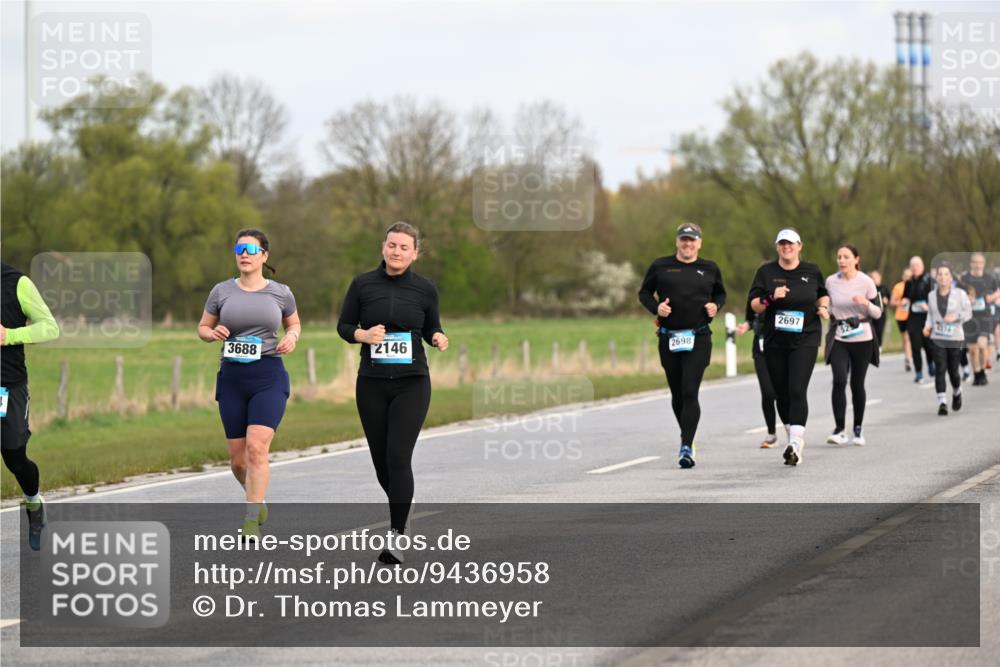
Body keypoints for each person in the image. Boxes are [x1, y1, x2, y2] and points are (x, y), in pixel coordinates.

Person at [338, 222, 448, 565]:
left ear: (415, 253)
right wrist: (362, 336)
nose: (396, 251)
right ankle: (404, 502)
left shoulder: (425, 289)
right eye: (391, 245)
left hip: (412, 382)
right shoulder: (362, 284)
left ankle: (397, 536)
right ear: (383, 248)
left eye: (403, 247)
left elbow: (432, 326)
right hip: (371, 383)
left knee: (399, 457)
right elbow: (344, 325)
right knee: (381, 463)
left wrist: (438, 338)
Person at [198, 229, 300, 538]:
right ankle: (257, 496)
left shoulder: (281, 293)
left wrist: (292, 337)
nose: (244, 253)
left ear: (264, 256)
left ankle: (250, 519)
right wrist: (210, 334)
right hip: (232, 378)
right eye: (239, 248)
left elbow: (293, 323)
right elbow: (203, 327)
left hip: (268, 375)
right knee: (238, 460)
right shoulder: (221, 291)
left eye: (251, 249)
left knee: (257, 449)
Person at [638, 222, 726, 468]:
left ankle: (686, 445)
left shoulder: (709, 268)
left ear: (699, 243)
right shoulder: (661, 266)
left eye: (692, 240)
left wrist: (715, 306)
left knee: (690, 390)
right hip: (669, 336)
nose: (688, 244)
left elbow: (721, 294)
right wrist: (656, 307)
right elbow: (644, 293)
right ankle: (687, 434)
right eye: (684, 239)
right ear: (677, 242)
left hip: (698, 336)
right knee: (677, 394)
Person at [748, 228, 830, 466]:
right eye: (782, 244)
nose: (786, 247)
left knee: (797, 389)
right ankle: (792, 434)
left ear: (799, 246)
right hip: (775, 341)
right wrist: (771, 298)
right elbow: (754, 305)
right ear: (777, 247)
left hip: (806, 338)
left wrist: (823, 307)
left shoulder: (811, 271)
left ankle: (795, 443)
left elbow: (822, 294)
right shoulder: (766, 272)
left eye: (790, 243)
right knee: (780, 394)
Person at [1, 262, 60, 551]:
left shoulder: (17, 283)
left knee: (14, 456)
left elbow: (50, 328)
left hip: (8, 387)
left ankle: (34, 504)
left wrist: (9, 336)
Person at [824, 245, 881, 446]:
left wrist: (865, 303)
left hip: (862, 339)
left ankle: (858, 428)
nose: (842, 260)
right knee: (839, 380)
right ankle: (840, 429)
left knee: (857, 384)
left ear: (856, 259)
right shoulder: (831, 281)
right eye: (839, 257)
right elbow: (828, 307)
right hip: (840, 336)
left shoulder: (866, 282)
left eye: (846, 257)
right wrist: (823, 310)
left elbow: (878, 313)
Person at [923, 263, 972, 415]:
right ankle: (942, 402)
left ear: (951, 277)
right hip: (937, 336)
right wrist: (927, 326)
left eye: (946, 274)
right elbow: (930, 315)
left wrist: (956, 317)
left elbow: (968, 313)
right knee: (940, 368)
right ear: (936, 277)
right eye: (940, 274)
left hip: (955, 337)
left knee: (953, 371)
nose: (942, 277)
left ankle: (957, 391)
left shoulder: (960, 294)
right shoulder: (931, 295)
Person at [736, 305, 782, 448]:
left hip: (782, 346)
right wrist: (746, 325)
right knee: (768, 393)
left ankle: (792, 430)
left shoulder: (783, 290)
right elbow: (752, 319)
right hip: (760, 349)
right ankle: (771, 433)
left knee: (784, 392)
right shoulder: (755, 294)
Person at [959, 253, 999, 386]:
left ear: (983, 264)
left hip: (985, 317)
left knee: (982, 346)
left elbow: (998, 291)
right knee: (972, 350)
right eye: (975, 262)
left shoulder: (990, 278)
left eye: (980, 262)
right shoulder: (965, 279)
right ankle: (976, 373)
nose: (977, 265)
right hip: (969, 318)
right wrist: (966, 299)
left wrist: (992, 297)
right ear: (971, 263)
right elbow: (957, 295)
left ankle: (982, 371)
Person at [901, 256, 935, 383]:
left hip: (927, 317)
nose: (915, 268)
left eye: (917, 265)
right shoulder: (909, 282)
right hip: (913, 318)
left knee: (928, 345)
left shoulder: (929, 280)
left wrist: (927, 305)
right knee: (915, 345)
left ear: (922, 266)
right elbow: (905, 298)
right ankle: (919, 372)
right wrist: (904, 301)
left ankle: (931, 364)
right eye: (913, 266)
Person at [890, 268, 913, 372]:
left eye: (910, 276)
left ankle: (909, 359)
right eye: (906, 275)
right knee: (905, 338)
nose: (908, 277)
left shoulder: (914, 286)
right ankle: (907, 357)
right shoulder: (898, 287)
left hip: (912, 316)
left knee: (908, 338)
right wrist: (901, 303)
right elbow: (892, 302)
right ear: (903, 276)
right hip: (901, 316)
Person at [868, 269, 891, 350]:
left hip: (882, 314)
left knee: (879, 331)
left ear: (879, 278)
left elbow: (891, 300)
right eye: (872, 278)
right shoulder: (869, 289)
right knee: (871, 332)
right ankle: (872, 349)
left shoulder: (884, 288)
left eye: (875, 277)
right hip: (870, 314)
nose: (874, 279)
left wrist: (887, 301)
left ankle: (879, 348)